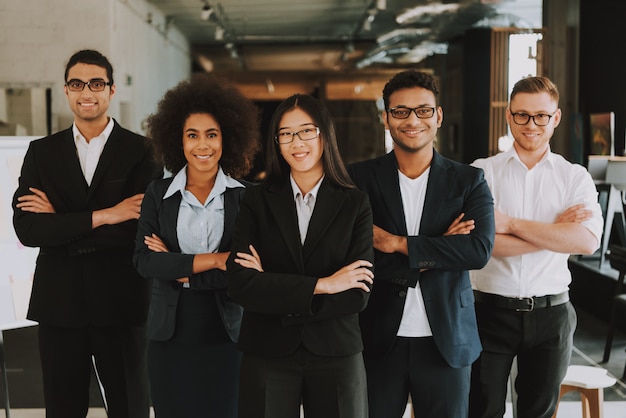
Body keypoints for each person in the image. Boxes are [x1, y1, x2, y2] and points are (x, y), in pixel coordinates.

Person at [12, 49, 162, 418]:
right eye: (77, 84)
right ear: (66, 90)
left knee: (130, 407)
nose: (87, 92)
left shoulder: (143, 152)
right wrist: (108, 214)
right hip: (59, 302)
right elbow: (28, 229)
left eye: (96, 83)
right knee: (62, 410)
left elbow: (140, 231)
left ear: (111, 91)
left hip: (122, 302)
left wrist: (61, 223)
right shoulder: (41, 153)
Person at [348, 69, 495, 418]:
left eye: (423, 110)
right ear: (386, 118)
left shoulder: (468, 180)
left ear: (438, 116)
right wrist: (441, 247)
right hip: (378, 338)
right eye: (400, 111)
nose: (412, 120)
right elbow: (354, 256)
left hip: (447, 341)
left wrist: (399, 244)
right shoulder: (359, 179)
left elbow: (477, 251)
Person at [226, 93, 374, 418]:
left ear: (324, 134)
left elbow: (356, 295)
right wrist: (323, 284)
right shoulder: (256, 201)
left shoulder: (354, 204)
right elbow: (241, 285)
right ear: (276, 142)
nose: (297, 142)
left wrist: (272, 286)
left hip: (336, 352)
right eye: (286, 133)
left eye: (306, 130)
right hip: (266, 351)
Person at [469, 76, 603, 418]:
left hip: (551, 316)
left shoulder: (574, 177)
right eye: (522, 115)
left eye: (541, 116)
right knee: (481, 412)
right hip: (487, 313)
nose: (531, 125)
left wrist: (511, 225)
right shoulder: (480, 174)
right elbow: (482, 246)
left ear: (555, 118)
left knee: (539, 414)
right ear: (509, 116)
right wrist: (555, 234)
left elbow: (586, 241)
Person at [133, 73, 260, 418]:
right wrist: (216, 259)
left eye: (211, 135)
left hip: (228, 329)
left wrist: (179, 266)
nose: (202, 145)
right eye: (192, 135)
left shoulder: (246, 197)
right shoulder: (157, 195)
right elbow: (145, 262)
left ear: (227, 138)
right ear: (178, 140)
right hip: (169, 331)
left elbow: (242, 269)